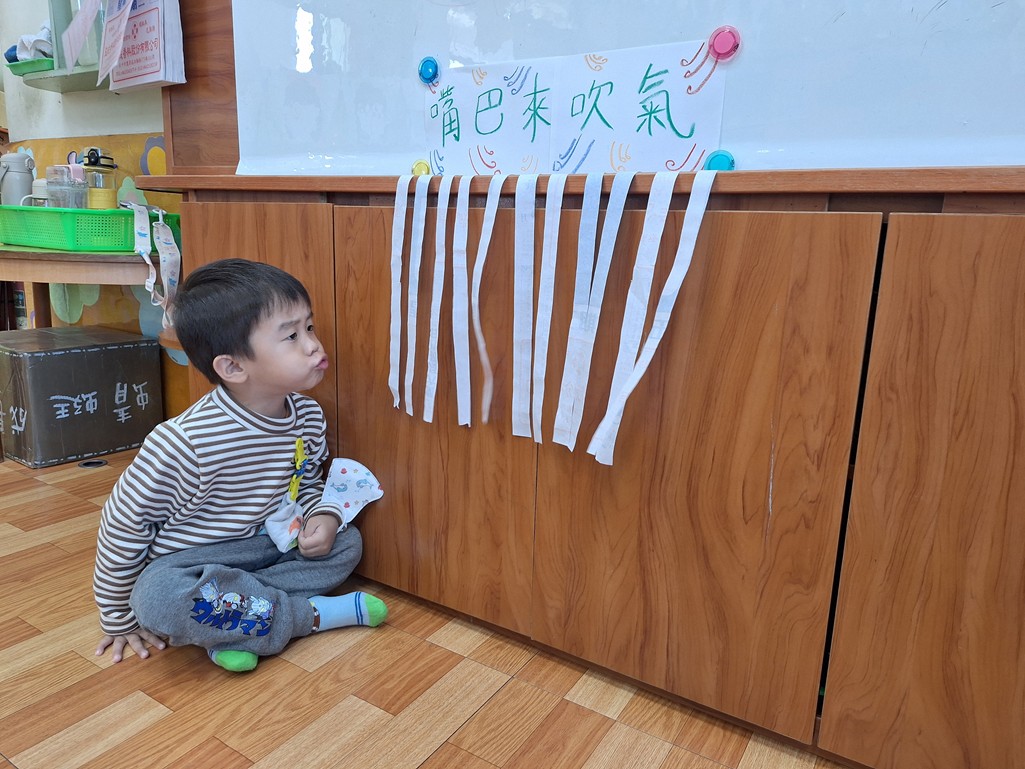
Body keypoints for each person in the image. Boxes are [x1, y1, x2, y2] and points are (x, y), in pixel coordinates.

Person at [93, 258, 386, 673]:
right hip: (188, 563)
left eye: (310, 327)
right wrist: (118, 618)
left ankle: (235, 623)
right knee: (157, 598)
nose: (313, 345)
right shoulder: (183, 443)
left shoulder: (307, 416)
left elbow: (303, 485)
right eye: (291, 336)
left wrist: (323, 515)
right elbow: (122, 526)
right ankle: (310, 616)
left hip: (263, 547)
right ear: (232, 366)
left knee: (346, 542)